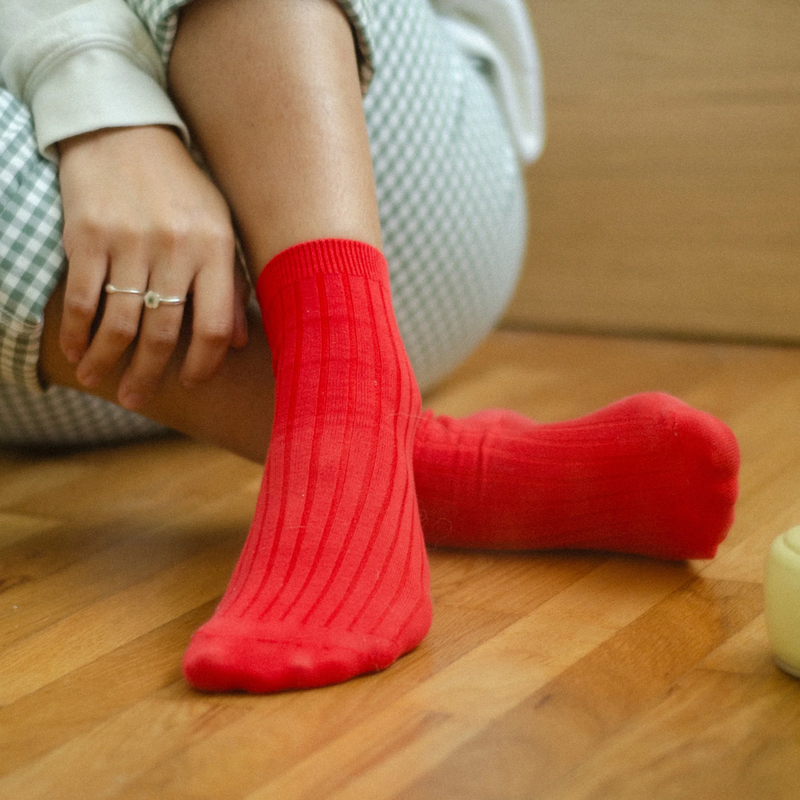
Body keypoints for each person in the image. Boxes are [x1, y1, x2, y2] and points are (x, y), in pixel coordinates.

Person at [0, 0, 739, 693]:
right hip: (45, 337)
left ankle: (342, 377)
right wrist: (102, 120)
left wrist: (97, 90)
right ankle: (417, 459)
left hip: (352, 145)